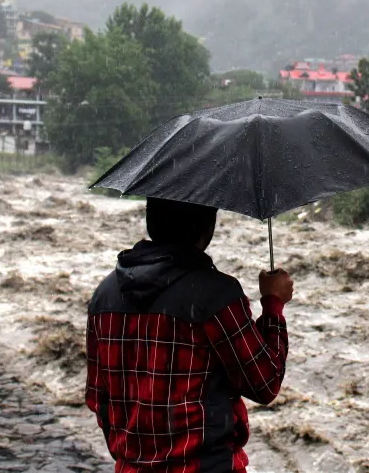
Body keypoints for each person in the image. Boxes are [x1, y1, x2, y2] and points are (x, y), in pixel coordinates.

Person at [86, 198, 293, 472]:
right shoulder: (217, 295)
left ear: (152, 221)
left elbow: (98, 398)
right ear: (207, 227)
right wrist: (273, 304)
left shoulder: (105, 295)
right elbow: (265, 383)